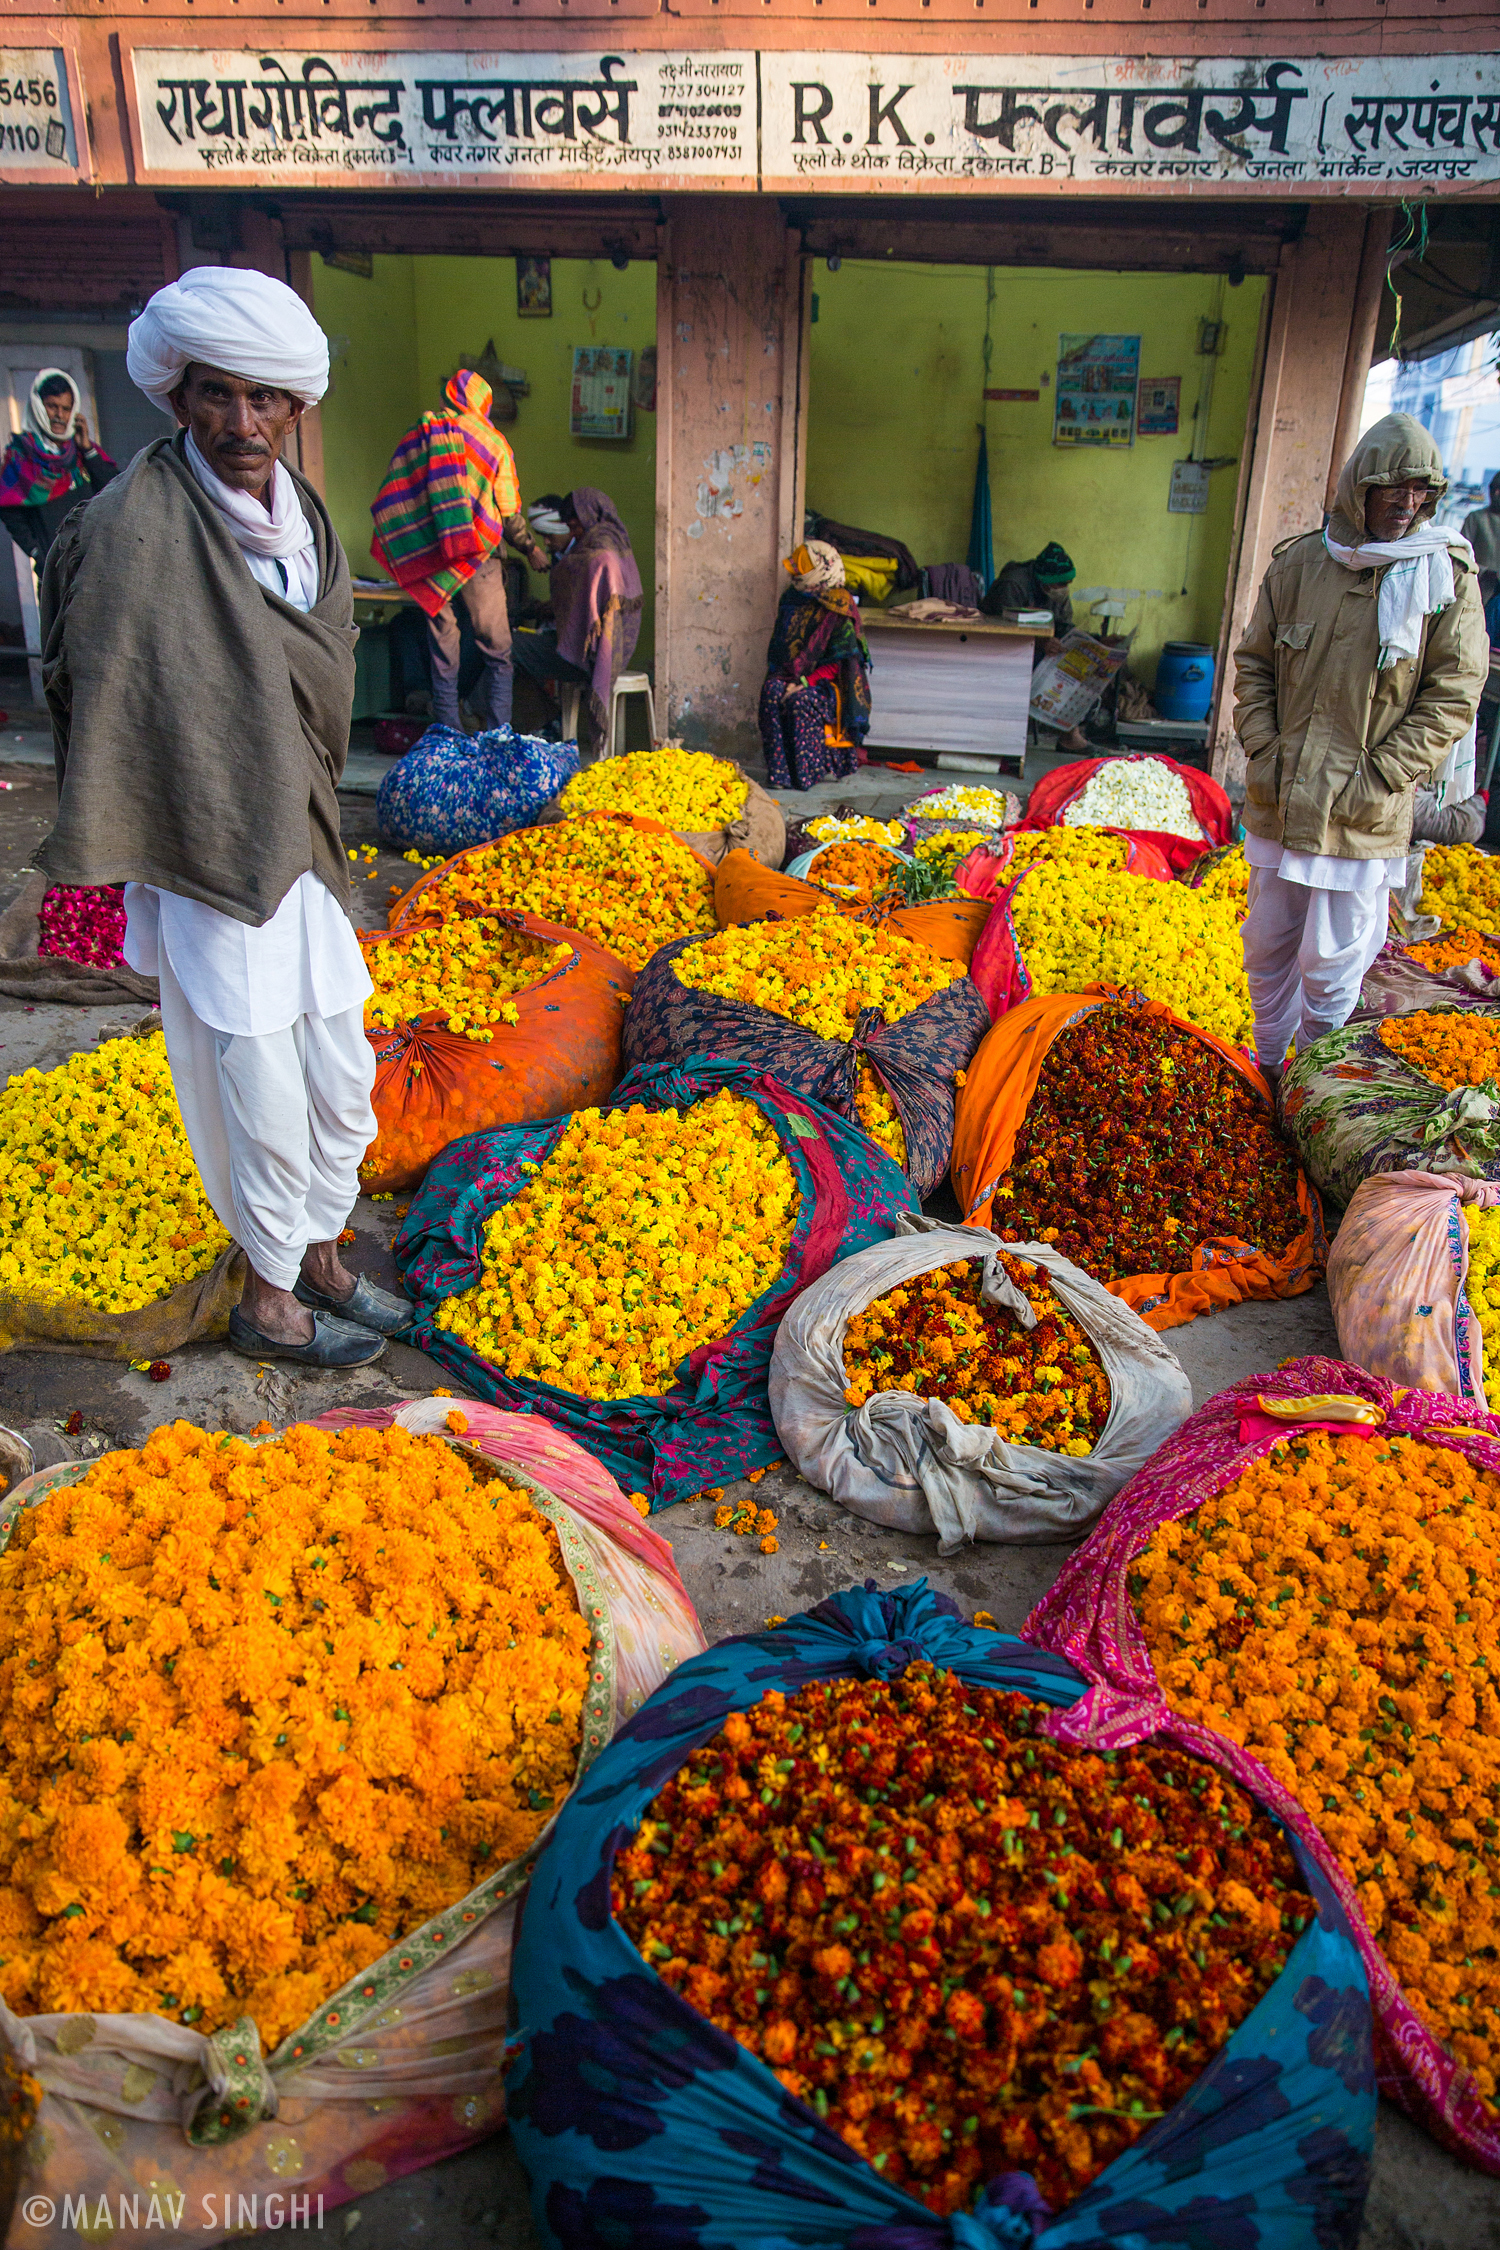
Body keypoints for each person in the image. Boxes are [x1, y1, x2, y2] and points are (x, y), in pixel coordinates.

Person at [38, 265, 410, 1368]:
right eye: (215, 395)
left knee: (342, 1072)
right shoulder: (132, 523)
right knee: (251, 1078)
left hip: (299, 834)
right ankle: (272, 1297)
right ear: (177, 397)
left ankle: (324, 1253)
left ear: (297, 405)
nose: (242, 422)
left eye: (264, 398)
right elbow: (97, 679)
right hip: (203, 838)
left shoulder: (305, 522)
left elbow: (313, 665)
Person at [1234, 412, 1488, 1084]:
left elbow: (1454, 692)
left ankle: (1310, 1079)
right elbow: (1255, 663)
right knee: (1266, 946)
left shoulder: (1444, 576)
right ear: (1359, 490)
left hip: (1362, 810)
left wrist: (1383, 774)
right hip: (1283, 795)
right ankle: (1265, 1070)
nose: (1406, 505)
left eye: (1419, 493)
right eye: (1391, 490)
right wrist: (1263, 746)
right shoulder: (1301, 562)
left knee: (1333, 958)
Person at [371, 370, 552, 733]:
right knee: (499, 653)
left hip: (432, 556)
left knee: (443, 651)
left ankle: (447, 736)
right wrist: (530, 549)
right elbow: (508, 510)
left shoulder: (422, 434)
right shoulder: (493, 441)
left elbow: (399, 491)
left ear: (449, 397)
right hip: (479, 556)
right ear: (482, 401)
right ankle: (498, 735)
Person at [511, 488, 642, 758]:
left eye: (574, 527)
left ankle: (542, 722)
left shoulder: (595, 554)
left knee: (506, 645)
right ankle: (547, 722)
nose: (573, 534)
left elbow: (582, 609)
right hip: (617, 650)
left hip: (593, 655)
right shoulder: (617, 542)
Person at [759, 541, 872, 792]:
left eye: (801, 570)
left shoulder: (840, 605)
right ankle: (779, 774)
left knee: (801, 702)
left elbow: (839, 663)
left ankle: (805, 775)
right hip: (790, 673)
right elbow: (781, 648)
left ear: (821, 570)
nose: (793, 575)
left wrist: (803, 684)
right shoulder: (791, 598)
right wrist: (789, 679)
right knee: (771, 692)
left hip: (829, 684)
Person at [0, 370, 116, 576]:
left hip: (95, 566)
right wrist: (37, 552)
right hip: (54, 572)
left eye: (66, 408)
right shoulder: (20, 458)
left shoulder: (83, 452)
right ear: (38, 406)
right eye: (52, 406)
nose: (59, 416)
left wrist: (87, 449)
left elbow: (115, 489)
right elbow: (10, 512)